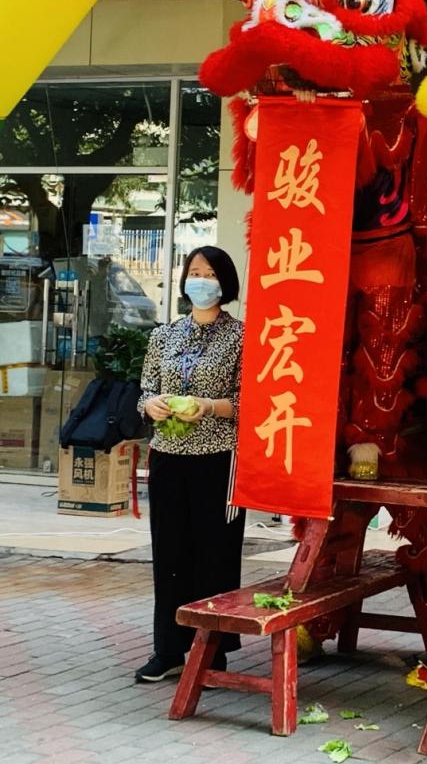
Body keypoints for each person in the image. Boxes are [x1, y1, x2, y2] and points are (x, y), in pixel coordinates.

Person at [134, 246, 245, 683]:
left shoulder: (241, 337)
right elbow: (145, 391)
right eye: (195, 272)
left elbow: (248, 403)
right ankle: (168, 649)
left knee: (214, 553)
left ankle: (212, 650)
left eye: (211, 274)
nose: (201, 281)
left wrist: (210, 406)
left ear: (225, 283)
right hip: (168, 457)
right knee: (169, 552)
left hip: (217, 459)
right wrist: (151, 405)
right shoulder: (164, 335)